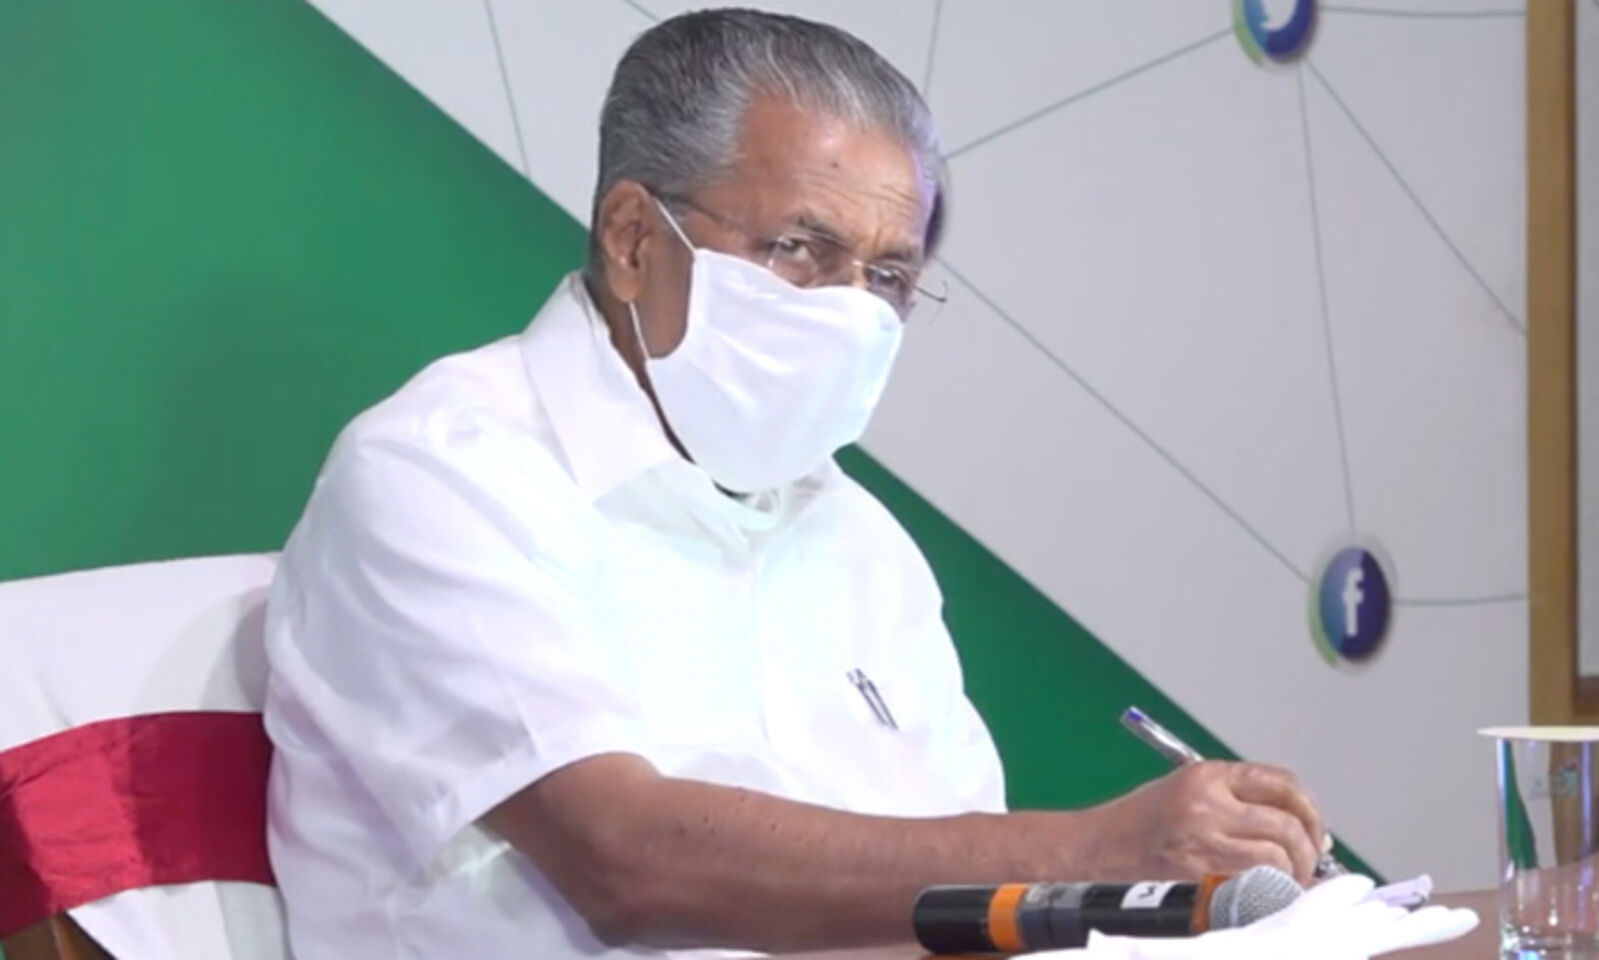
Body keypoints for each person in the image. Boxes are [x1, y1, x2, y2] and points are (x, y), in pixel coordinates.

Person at [261, 9, 1327, 959]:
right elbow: (624, 863)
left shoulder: (863, 547)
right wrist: (1097, 846)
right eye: (802, 250)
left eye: (889, 277)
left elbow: (951, 918)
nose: (853, 313)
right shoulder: (442, 471)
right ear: (633, 240)